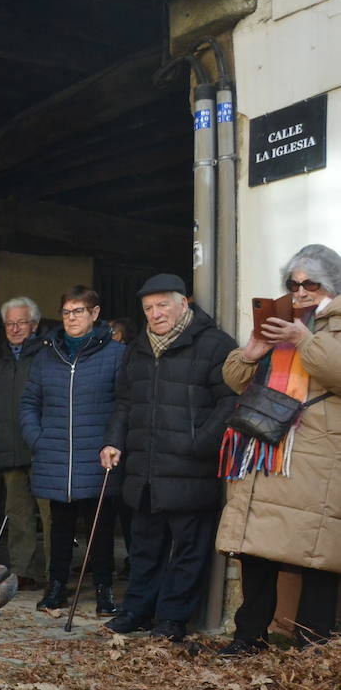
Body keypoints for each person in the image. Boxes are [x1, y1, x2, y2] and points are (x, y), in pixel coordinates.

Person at [216, 244, 341, 655]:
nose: (301, 291)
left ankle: (312, 643)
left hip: (316, 457)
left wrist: (305, 339)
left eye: (311, 283)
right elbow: (236, 379)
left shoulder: (331, 326)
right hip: (269, 448)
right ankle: (248, 635)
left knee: (316, 553)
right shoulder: (281, 321)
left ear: (332, 286)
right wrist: (252, 349)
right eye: (293, 284)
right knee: (257, 548)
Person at [99, 274, 236, 641]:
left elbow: (231, 401)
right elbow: (125, 401)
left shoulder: (214, 344)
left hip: (192, 468)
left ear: (183, 304)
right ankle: (137, 610)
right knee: (144, 545)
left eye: (162, 305)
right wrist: (113, 440)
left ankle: (172, 618)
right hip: (144, 466)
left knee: (188, 549)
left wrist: (199, 441)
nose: (155, 314)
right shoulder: (139, 347)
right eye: (148, 308)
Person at [21, 286, 124, 616]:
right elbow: (29, 403)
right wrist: (38, 438)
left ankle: (103, 589)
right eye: (66, 312)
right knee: (59, 527)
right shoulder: (46, 355)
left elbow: (124, 404)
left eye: (78, 311)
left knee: (100, 528)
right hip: (56, 455)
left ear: (94, 314)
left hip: (97, 456)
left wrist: (113, 441)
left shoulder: (115, 354)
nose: (71, 318)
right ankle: (56, 587)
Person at [0, 297, 48, 590]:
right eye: (10, 323)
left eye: (21, 322)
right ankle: (24, 572)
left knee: (50, 515)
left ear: (34, 325)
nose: (15, 328)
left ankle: (53, 574)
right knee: (17, 514)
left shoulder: (47, 358)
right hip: (9, 450)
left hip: (43, 451)